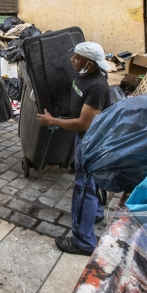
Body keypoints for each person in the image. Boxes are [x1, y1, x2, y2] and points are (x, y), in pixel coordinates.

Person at [36, 42, 110, 256]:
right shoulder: (84, 76)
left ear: (90, 63)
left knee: (83, 187)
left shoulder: (97, 86)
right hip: (83, 138)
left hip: (91, 142)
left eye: (77, 58)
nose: (72, 60)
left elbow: (85, 124)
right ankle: (95, 213)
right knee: (89, 182)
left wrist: (53, 122)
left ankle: (84, 241)